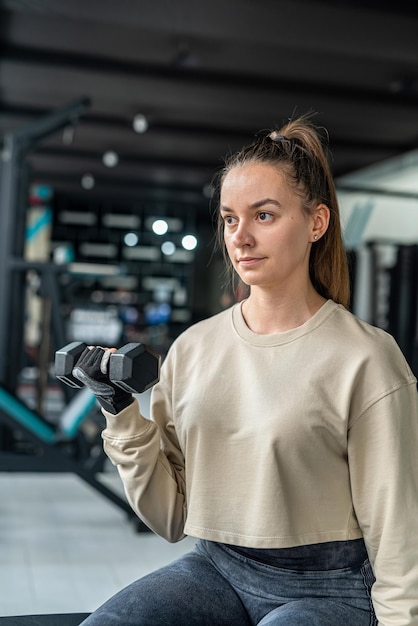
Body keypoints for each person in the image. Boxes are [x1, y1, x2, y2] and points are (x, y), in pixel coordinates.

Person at [77, 114, 418, 625]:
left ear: (316, 222)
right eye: (230, 219)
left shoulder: (365, 358)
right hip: (215, 568)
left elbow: (397, 529)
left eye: (264, 215)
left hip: (331, 588)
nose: (240, 237)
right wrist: (119, 411)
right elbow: (170, 518)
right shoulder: (193, 348)